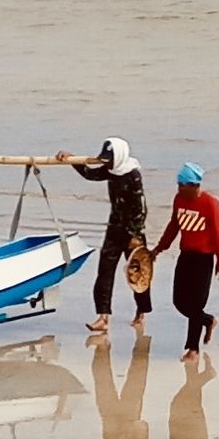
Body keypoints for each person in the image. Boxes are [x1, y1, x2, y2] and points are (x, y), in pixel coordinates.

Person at [63, 137, 153, 330]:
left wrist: (135, 236)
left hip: (133, 232)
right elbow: (90, 174)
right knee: (105, 271)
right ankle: (103, 318)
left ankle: (141, 311)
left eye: (109, 159)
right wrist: (72, 160)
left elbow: (141, 209)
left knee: (139, 274)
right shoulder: (111, 170)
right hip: (115, 228)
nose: (107, 163)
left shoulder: (133, 174)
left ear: (119, 157)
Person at [156, 161, 219, 356]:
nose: (178, 188)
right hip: (186, 255)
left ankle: (192, 348)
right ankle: (208, 321)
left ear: (193, 185)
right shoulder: (179, 200)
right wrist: (159, 249)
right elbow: (173, 226)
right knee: (179, 302)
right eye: (178, 185)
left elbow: (218, 232)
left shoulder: (210, 203)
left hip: (204, 259)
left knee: (196, 304)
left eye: (182, 185)